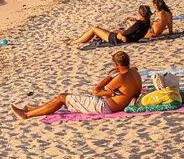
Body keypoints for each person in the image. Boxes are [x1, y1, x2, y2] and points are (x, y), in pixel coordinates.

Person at [11, 51, 143, 119]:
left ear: (116, 65)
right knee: (65, 99)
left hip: (104, 107)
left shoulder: (120, 76)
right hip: (113, 104)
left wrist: (109, 77)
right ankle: (32, 109)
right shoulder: (135, 74)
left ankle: (27, 115)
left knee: (62, 98)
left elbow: (95, 91)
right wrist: (110, 93)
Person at [65, 5, 151, 46]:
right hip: (128, 39)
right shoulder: (147, 22)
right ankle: (78, 40)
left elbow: (125, 33)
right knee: (99, 31)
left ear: (140, 14)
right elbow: (135, 30)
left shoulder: (139, 23)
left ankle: (75, 42)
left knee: (95, 29)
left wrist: (118, 31)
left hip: (118, 39)